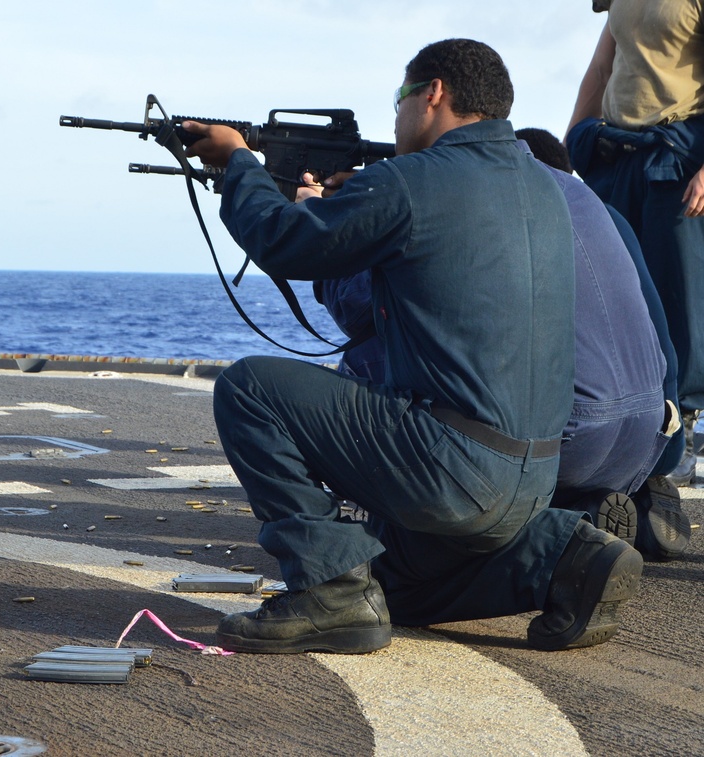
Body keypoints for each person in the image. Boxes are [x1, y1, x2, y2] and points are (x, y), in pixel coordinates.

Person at [182, 38, 643, 655]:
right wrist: (361, 199)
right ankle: (562, 556)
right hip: (534, 480)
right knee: (394, 589)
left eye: (400, 98)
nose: (395, 115)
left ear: (433, 94)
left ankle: (328, 590)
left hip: (450, 469)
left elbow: (283, 241)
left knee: (250, 390)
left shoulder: (415, 182)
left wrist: (238, 163)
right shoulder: (545, 187)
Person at [317, 126, 691, 561]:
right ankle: (601, 506)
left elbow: (360, 309)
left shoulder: (498, 206)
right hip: (645, 437)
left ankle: (554, 529)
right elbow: (660, 336)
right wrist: (665, 454)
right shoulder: (602, 212)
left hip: (563, 439)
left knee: (364, 366)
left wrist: (330, 228)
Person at [566, 0, 704, 488]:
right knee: (610, 288)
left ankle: (682, 430)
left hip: (677, 158)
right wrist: (567, 151)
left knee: (679, 298)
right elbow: (603, 65)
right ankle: (628, 418)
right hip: (615, 153)